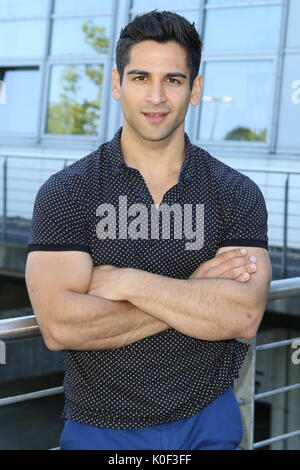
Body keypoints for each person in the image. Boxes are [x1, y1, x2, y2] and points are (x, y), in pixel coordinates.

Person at [25, 10, 272, 450]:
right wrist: (193, 292)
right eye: (141, 78)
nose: (156, 96)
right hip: (99, 426)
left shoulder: (236, 193)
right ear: (118, 84)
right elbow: (61, 326)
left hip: (207, 420)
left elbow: (242, 316)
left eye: (173, 80)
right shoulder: (68, 191)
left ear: (194, 90)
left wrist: (126, 282)